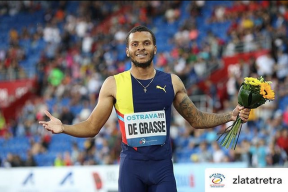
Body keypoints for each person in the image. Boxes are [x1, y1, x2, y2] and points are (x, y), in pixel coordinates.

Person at [39, 25, 251, 192]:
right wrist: (63, 127)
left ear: (155, 48)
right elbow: (92, 127)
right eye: (135, 44)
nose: (141, 47)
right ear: (128, 50)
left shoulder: (172, 82)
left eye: (146, 43)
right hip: (132, 168)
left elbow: (196, 119)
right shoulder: (113, 84)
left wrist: (230, 115)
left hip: (162, 168)